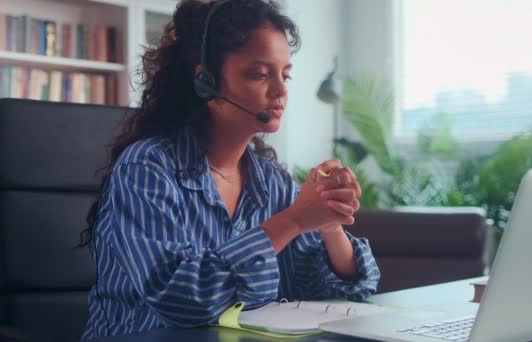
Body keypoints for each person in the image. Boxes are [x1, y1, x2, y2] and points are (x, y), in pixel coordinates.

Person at [79, 0, 380, 339]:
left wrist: (328, 224)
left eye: (285, 74)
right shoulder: (147, 169)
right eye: (260, 74)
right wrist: (294, 219)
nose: (281, 91)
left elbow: (341, 291)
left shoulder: (270, 180)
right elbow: (180, 300)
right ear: (206, 82)